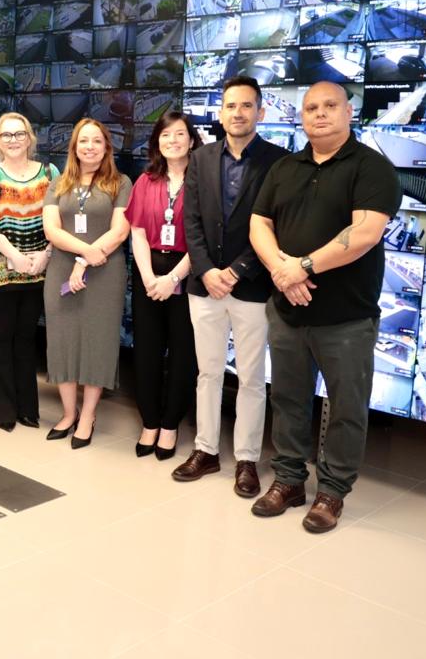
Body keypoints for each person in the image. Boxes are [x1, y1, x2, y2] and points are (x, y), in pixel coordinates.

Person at [249, 81, 401, 533]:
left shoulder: (372, 168)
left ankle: (332, 492)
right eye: (311, 107)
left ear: (349, 112)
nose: (319, 114)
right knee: (289, 400)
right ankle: (290, 481)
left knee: (347, 407)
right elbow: (260, 223)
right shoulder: (284, 168)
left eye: (329, 106)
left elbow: (366, 233)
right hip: (288, 310)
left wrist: (303, 267)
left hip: (346, 318)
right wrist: (282, 270)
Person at [171, 76, 289, 496]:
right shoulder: (200, 159)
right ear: (220, 113)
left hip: (252, 287)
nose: (237, 113)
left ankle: (246, 460)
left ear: (261, 112)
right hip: (205, 286)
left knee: (253, 378)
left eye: (246, 106)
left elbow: (278, 227)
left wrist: (238, 271)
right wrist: (205, 271)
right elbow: (192, 222)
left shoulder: (279, 162)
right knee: (207, 373)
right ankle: (205, 450)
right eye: (230, 106)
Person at [42, 118, 131, 448]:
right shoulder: (58, 183)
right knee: (63, 339)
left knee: (97, 340)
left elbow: (120, 231)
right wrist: (83, 254)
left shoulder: (120, 182)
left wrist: (87, 260)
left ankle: (89, 415)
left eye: (97, 141)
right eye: (83, 141)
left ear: (107, 146)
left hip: (105, 271)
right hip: (63, 267)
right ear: (74, 147)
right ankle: (68, 413)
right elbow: (52, 230)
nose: (90, 147)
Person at [0, 112, 57, 431]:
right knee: (3, 336)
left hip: (40, 267)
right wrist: (16, 257)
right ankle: (4, 409)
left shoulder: (50, 172)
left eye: (19, 134)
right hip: (4, 268)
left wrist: (45, 256)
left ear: (30, 138)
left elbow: (58, 220)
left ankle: (27, 408)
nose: (13, 140)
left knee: (26, 336)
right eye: (6, 135)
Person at [125, 111, 202, 460]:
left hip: (187, 271)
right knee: (147, 352)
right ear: (157, 140)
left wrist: (172, 278)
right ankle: (150, 422)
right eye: (166, 135)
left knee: (184, 353)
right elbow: (137, 232)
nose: (173, 140)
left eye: (180, 134)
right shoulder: (147, 180)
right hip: (148, 271)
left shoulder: (202, 181)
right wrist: (147, 278)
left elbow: (202, 238)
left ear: (191, 139)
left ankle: (170, 425)